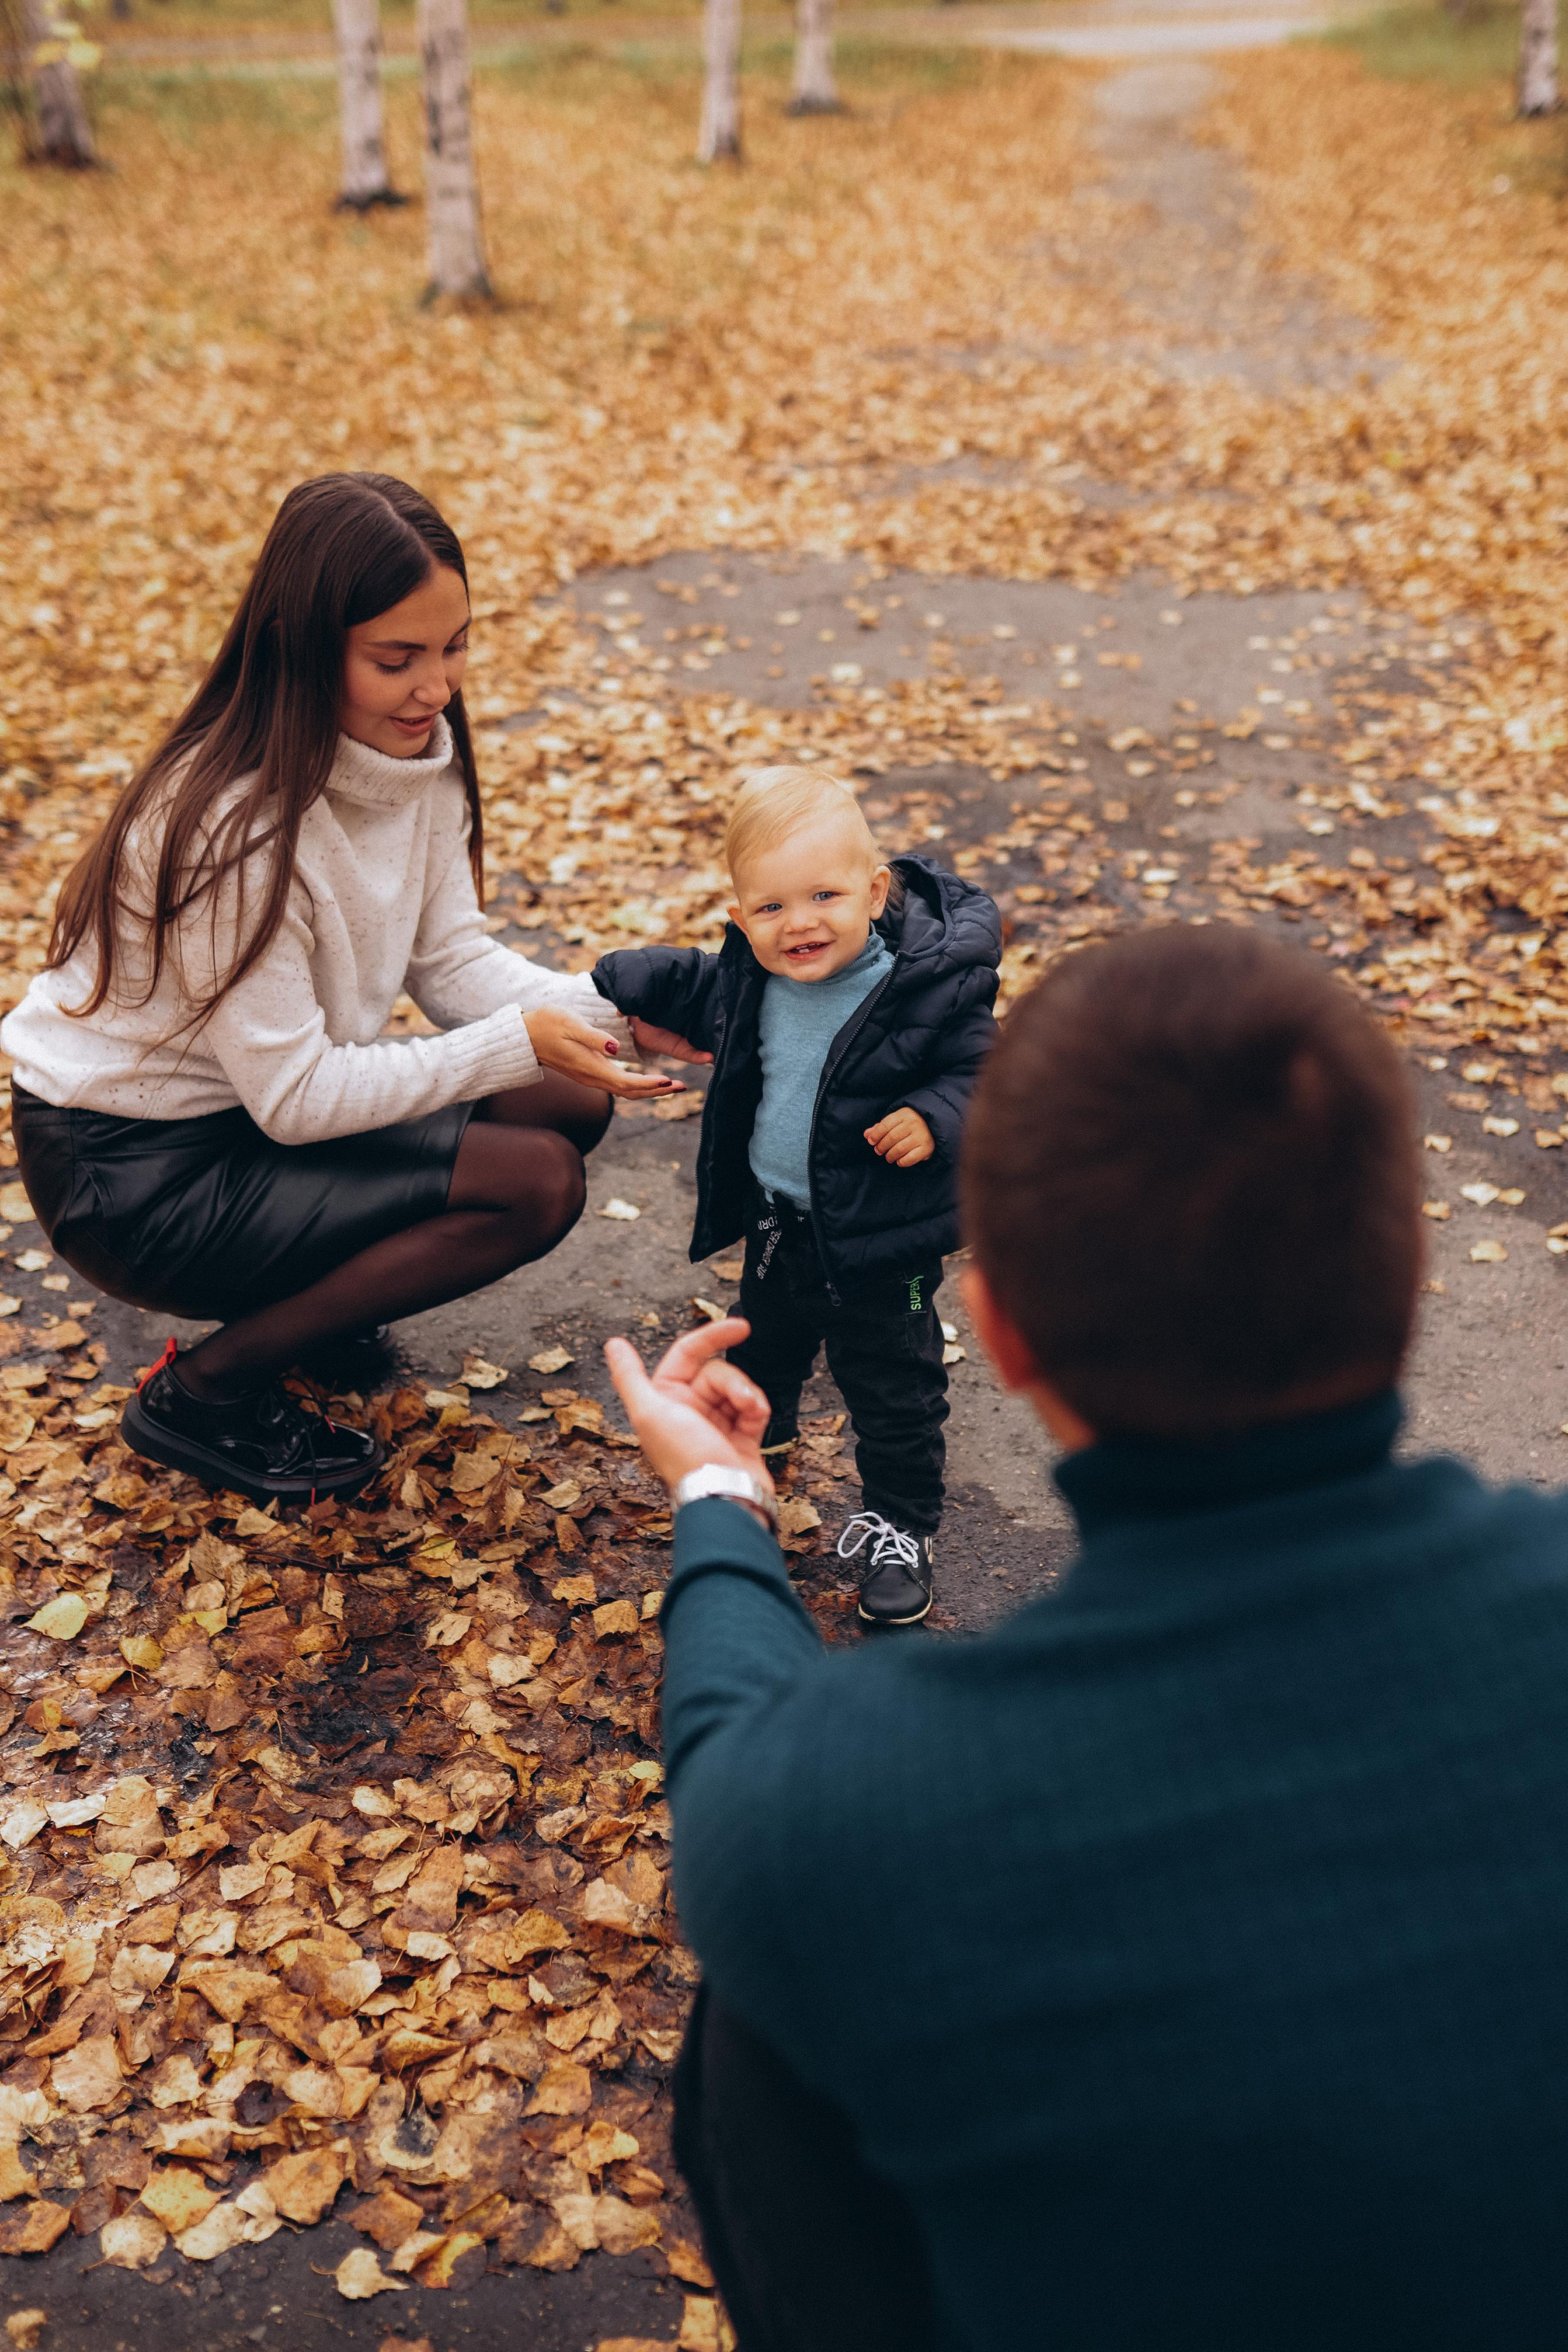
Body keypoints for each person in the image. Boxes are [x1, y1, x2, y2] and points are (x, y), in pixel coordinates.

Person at [607, 922, 1568, 2352]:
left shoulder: (856, 1813)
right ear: (1410, 1266)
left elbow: (729, 1756)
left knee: (751, 2031)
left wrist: (719, 1497)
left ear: (998, 1331)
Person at [3, 472, 679, 1508]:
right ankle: (205, 1394)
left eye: (454, 646)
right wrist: (519, 1042)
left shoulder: (416, 756)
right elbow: (298, 1098)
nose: (436, 687)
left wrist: (630, 1010)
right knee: (535, 1180)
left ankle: (317, 1303)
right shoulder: (231, 829)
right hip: (129, 1170)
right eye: (395, 660)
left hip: (246, 1115)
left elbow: (450, 959)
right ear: (302, 647)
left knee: (566, 1096)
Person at [592, 764, 1000, 1625]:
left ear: (874, 893)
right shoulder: (754, 977)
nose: (801, 923)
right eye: (772, 907)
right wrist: (627, 976)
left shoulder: (923, 987)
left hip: (883, 1242)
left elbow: (986, 1072)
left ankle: (901, 1525)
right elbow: (697, 988)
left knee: (893, 1385)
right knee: (762, 1345)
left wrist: (935, 1116)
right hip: (779, 1224)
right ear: (742, 919)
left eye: (824, 896)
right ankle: (759, 1441)